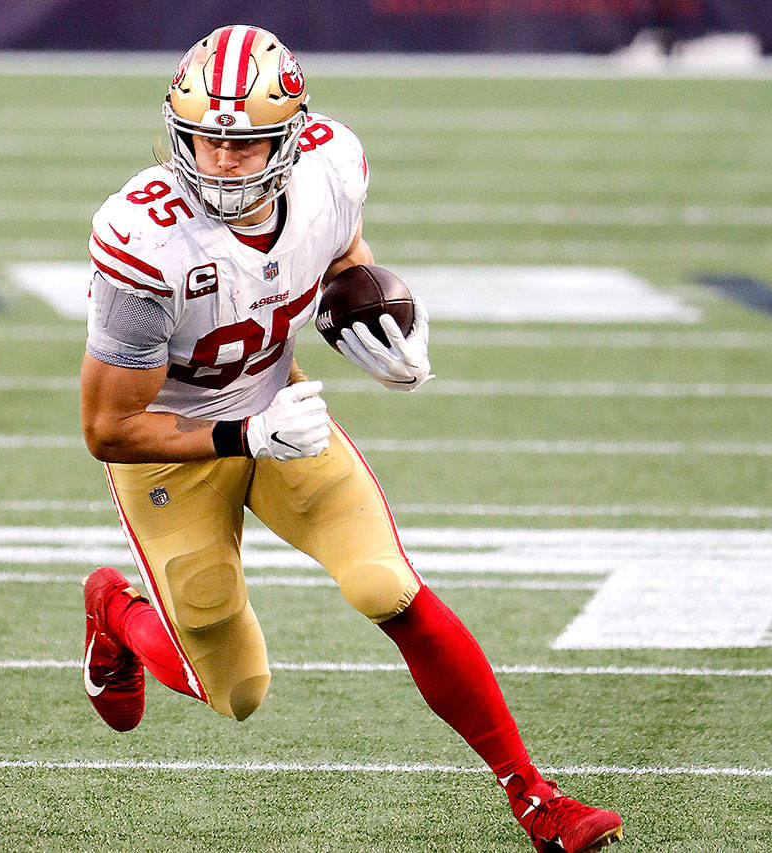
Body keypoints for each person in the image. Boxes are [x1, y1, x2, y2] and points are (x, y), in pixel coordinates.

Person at [78, 25, 623, 853]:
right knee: (233, 690)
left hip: (279, 413)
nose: (222, 163)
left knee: (385, 586)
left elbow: (342, 261)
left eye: (246, 143)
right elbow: (109, 428)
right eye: (204, 142)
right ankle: (114, 610)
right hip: (175, 451)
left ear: (292, 138)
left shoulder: (331, 170)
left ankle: (537, 797)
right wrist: (247, 432)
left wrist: (383, 323)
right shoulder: (145, 238)